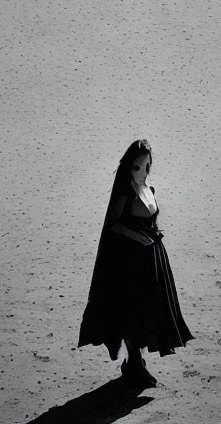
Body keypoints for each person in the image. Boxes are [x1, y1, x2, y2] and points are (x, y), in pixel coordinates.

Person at [78, 139, 193, 387]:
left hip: (153, 258)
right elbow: (114, 224)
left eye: (146, 166)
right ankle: (135, 365)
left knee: (150, 311)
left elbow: (150, 220)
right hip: (130, 261)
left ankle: (135, 364)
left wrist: (151, 236)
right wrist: (140, 239)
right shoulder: (125, 190)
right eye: (136, 167)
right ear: (128, 166)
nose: (142, 171)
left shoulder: (148, 188)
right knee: (131, 313)